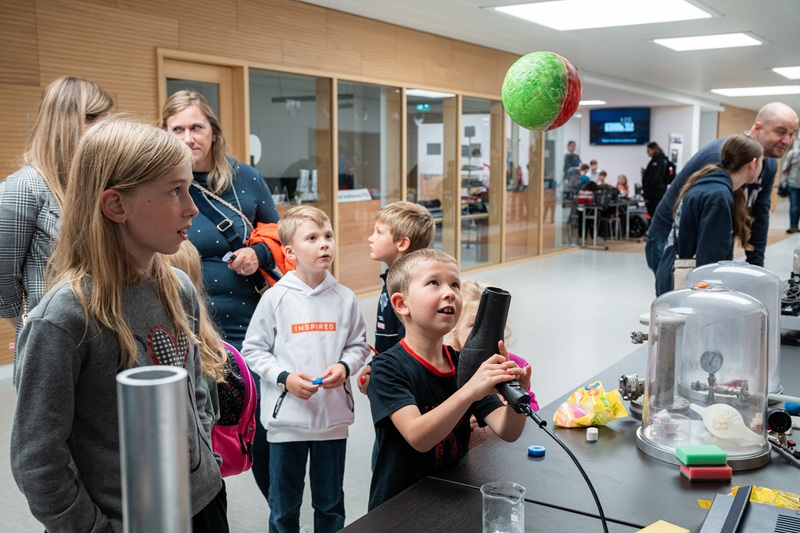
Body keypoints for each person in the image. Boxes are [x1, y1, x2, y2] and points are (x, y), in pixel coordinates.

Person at [10, 118, 228, 532]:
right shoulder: (63, 318)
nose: (192, 208)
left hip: (204, 503)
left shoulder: (178, 287)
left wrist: (207, 467)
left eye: (190, 188)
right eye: (175, 191)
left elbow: (196, 392)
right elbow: (37, 458)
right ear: (116, 206)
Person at [162, 89, 280, 500]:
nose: (188, 137)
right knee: (199, 425)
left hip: (252, 324)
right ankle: (210, 506)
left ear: (213, 131)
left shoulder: (245, 177)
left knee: (261, 422)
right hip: (188, 327)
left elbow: (279, 232)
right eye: (177, 129)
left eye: (196, 127)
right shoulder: (160, 182)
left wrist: (258, 252)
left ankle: (279, 511)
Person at [366, 248, 530, 510]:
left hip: (451, 499)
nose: (450, 292)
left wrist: (517, 399)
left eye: (455, 284)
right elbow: (418, 436)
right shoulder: (387, 368)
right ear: (401, 304)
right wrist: (470, 391)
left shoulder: (463, 364)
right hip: (398, 508)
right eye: (434, 283)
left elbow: (507, 430)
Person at [242, 205, 370, 533]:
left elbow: (358, 346)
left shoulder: (345, 298)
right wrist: (284, 379)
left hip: (332, 422)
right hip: (287, 423)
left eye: (328, 236)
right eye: (312, 238)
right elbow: (253, 351)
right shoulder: (275, 299)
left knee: (330, 505)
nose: (324, 243)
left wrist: (345, 367)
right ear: (290, 252)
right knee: (284, 510)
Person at [0, 76, 113, 369]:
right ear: (71, 123)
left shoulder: (96, 183)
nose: (108, 132)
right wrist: (34, 328)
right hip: (53, 348)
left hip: (103, 341)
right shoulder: (23, 188)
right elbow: (3, 281)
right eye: (98, 121)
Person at [646, 102, 799, 276]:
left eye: (791, 134)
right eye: (780, 132)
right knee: (682, 291)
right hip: (673, 238)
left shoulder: (769, 163)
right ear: (758, 128)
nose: (787, 141)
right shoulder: (721, 156)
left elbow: (759, 215)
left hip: (712, 239)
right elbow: (706, 238)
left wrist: (756, 269)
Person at [655, 135, 764, 296]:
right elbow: (710, 263)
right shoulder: (718, 197)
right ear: (753, 164)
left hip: (671, 275)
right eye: (762, 161)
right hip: (686, 286)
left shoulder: (711, 185)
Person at [446, 280, 539, 449]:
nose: (486, 333)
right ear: (455, 330)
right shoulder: (450, 368)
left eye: (492, 326)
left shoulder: (514, 366)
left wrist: (512, 405)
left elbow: (532, 408)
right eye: (474, 326)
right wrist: (463, 420)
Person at [357, 201, 436, 393]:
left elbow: (408, 346)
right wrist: (376, 365)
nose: (370, 238)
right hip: (388, 369)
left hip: (400, 382)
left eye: (379, 232)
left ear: (402, 243)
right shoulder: (392, 280)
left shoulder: (409, 289)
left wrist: (381, 375)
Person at [641, 142, 671, 218]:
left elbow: (654, 177)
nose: (647, 152)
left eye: (648, 150)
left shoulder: (656, 161)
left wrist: (647, 188)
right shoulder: (664, 160)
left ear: (654, 149)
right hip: (660, 191)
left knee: (653, 212)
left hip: (654, 194)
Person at [781, 144, 800, 233]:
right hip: (793, 184)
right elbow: (785, 167)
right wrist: (784, 181)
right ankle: (793, 226)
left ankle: (796, 226)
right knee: (794, 206)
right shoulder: (792, 153)